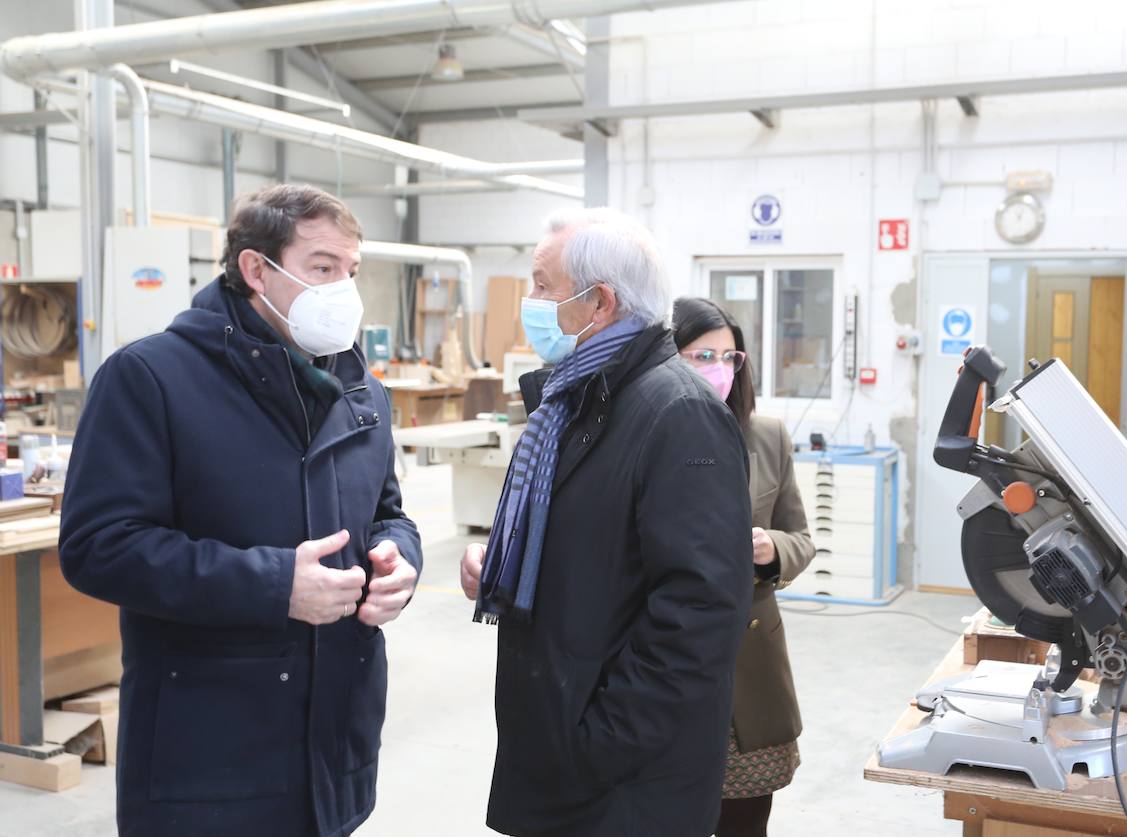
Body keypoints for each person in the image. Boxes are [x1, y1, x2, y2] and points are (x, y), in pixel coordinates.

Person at [59, 184, 421, 837]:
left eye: (350, 270)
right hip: (209, 758)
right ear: (257, 269)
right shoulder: (150, 378)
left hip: (334, 747)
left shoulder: (360, 389)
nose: (343, 288)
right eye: (321, 268)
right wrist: (274, 584)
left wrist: (403, 561)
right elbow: (98, 546)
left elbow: (389, 512)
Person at [459, 209, 753, 837]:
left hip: (621, 782)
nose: (531, 301)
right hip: (562, 741)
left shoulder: (676, 412)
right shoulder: (578, 399)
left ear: (599, 303)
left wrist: (600, 744)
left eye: (542, 284)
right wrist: (506, 562)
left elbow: (701, 611)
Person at [672, 297, 815, 837]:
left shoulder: (766, 435)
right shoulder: (649, 433)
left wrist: (772, 548)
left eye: (730, 358)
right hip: (670, 659)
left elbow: (801, 537)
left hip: (749, 661)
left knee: (745, 819)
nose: (719, 369)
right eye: (701, 355)